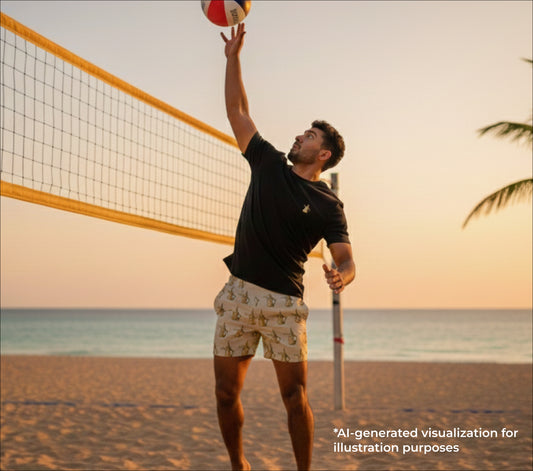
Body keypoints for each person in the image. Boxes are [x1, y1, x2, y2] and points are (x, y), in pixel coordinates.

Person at [213, 23, 356, 471]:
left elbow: (347, 257)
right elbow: (237, 109)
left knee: (294, 397)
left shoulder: (328, 202)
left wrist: (342, 275)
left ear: (324, 155)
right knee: (224, 394)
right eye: (302, 133)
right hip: (238, 293)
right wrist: (233, 57)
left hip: (284, 304)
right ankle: (239, 465)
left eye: (310, 136)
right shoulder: (268, 162)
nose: (299, 136)